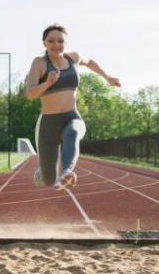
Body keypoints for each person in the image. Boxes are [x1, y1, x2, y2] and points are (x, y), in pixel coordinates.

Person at [25, 24, 121, 190]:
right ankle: (45, 173)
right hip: (49, 123)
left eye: (60, 41)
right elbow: (30, 94)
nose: (56, 45)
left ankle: (67, 171)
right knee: (49, 180)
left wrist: (107, 77)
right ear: (44, 43)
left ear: (66, 43)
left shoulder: (73, 58)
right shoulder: (39, 63)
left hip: (72, 116)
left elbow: (89, 62)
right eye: (51, 41)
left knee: (74, 132)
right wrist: (48, 83)